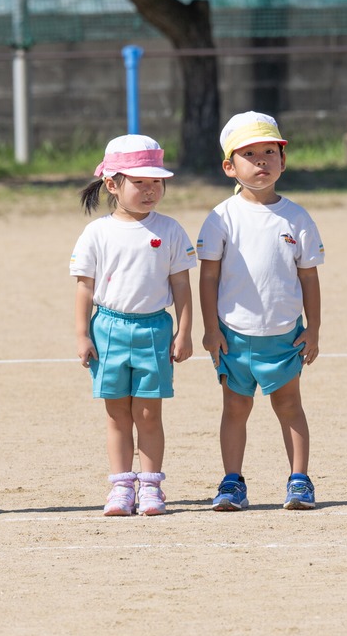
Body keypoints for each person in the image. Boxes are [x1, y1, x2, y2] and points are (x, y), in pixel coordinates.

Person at [197, 111, 325, 511]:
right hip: (233, 334)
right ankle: (232, 481)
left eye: (270, 152)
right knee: (235, 407)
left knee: (289, 405)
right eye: (249, 154)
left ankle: (300, 480)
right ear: (229, 167)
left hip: (284, 334)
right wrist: (211, 329)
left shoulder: (297, 217)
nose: (261, 161)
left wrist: (314, 328)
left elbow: (308, 277)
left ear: (283, 160)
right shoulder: (221, 217)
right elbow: (208, 277)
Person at [70, 134, 196, 516]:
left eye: (156, 181)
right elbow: (84, 286)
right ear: (112, 184)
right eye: (139, 182)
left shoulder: (170, 230)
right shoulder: (96, 233)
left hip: (154, 330)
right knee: (117, 415)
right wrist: (82, 334)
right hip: (107, 329)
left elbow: (181, 285)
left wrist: (184, 331)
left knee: (148, 414)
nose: (150, 190)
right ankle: (121, 487)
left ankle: (152, 486)